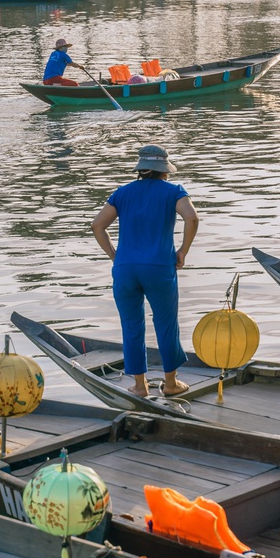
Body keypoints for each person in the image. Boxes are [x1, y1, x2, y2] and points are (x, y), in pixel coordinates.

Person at [91, 144, 199, 398]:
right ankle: (171, 384)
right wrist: (183, 250)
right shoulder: (174, 192)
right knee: (166, 323)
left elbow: (97, 225)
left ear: (140, 170)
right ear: (165, 171)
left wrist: (115, 256)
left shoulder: (122, 193)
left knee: (131, 325)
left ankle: (140, 387)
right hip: (159, 268)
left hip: (125, 270)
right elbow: (192, 218)